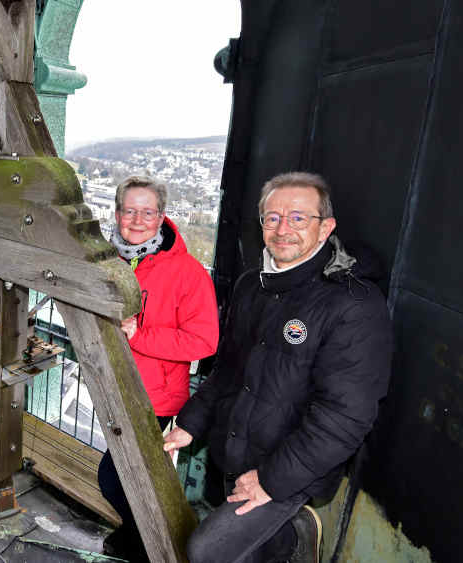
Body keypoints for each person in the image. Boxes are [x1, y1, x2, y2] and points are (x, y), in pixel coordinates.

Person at [163, 172, 393, 563]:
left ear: (326, 229)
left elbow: (345, 416)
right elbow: (228, 371)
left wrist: (271, 480)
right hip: (234, 452)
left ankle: (292, 537)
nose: (283, 229)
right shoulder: (253, 286)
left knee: (208, 551)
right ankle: (285, 544)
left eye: (299, 218)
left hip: (290, 470)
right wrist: (190, 423)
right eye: (272, 218)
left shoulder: (353, 306)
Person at [100, 175, 219, 559]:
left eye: (147, 212)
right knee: (125, 477)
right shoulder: (108, 262)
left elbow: (204, 341)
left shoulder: (188, 273)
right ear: (117, 214)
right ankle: (138, 536)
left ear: (162, 216)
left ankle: (144, 544)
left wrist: (140, 335)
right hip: (115, 386)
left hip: (157, 399)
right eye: (129, 211)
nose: (137, 220)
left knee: (115, 478)